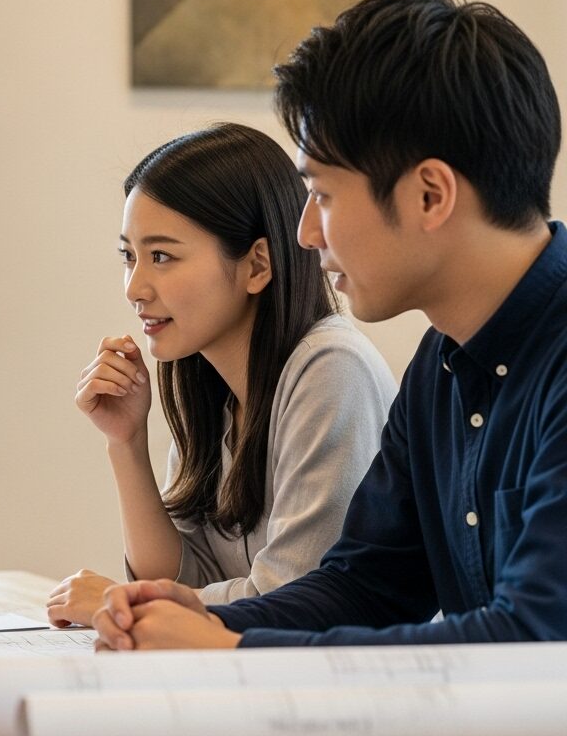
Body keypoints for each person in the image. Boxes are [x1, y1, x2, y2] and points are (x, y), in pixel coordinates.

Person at [93, 0, 567, 651]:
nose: (307, 235)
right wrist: (202, 616)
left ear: (430, 193)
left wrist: (231, 647)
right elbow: (366, 585)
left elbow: (533, 637)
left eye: (320, 195)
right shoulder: (443, 362)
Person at [46, 124, 396, 628]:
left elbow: (287, 599)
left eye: (161, 256)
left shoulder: (331, 369)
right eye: (129, 256)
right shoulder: (211, 385)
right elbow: (187, 581)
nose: (134, 288)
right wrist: (124, 441)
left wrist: (130, 603)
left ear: (257, 265)